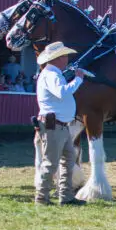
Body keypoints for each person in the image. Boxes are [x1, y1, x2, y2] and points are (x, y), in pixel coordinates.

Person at [33, 41, 86, 206]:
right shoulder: (52, 75)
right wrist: (78, 79)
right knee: (51, 163)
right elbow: (62, 92)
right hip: (53, 126)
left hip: (59, 125)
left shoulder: (52, 74)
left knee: (68, 159)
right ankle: (42, 198)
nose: (67, 59)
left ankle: (66, 195)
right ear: (58, 58)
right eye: (65, 56)